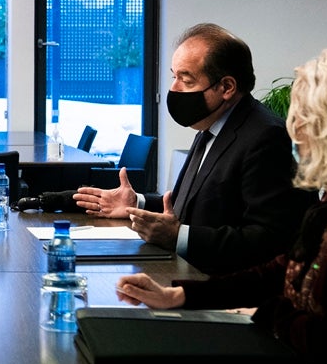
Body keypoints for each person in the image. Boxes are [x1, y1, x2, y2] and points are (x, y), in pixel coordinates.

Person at [115, 46, 327, 364]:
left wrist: (262, 312)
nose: (296, 128)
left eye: (307, 116)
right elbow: (285, 268)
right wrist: (181, 294)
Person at [73, 23, 314, 272]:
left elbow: (270, 239)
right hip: (188, 276)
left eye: (186, 80)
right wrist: (138, 203)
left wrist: (179, 237)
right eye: (174, 76)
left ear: (227, 87)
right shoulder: (211, 126)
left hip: (227, 293)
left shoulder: (266, 137)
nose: (174, 89)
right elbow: (192, 208)